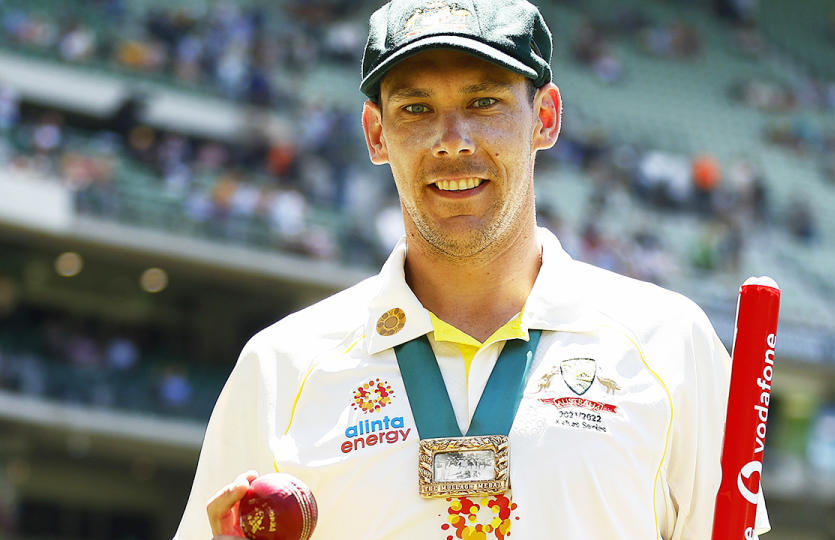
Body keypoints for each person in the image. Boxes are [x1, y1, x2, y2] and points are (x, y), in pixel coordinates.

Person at [174, 0, 771, 538]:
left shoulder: (670, 344)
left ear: (545, 117)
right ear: (376, 133)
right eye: (416, 108)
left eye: (483, 102)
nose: (452, 140)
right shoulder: (283, 367)